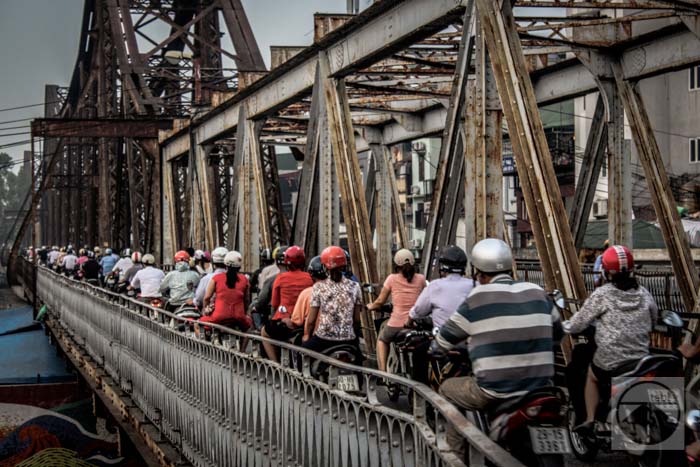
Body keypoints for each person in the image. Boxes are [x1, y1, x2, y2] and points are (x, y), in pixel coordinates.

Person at [432, 238, 558, 458]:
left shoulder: (476, 298)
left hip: (496, 390)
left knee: (447, 389)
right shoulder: (538, 292)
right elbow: (558, 334)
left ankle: (455, 459)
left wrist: (436, 349)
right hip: (541, 387)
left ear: (478, 273)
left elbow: (443, 340)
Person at [564, 245, 657, 435]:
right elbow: (654, 320)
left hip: (611, 360)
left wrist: (563, 326)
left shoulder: (602, 294)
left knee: (591, 375)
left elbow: (578, 323)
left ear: (606, 272)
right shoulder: (644, 294)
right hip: (641, 359)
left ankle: (590, 420)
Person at [368, 248, 427, 372]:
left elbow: (379, 302)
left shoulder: (391, 279)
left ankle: (383, 372)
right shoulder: (421, 279)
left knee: (382, 340)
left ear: (396, 265)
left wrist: (370, 306)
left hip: (396, 324)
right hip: (414, 324)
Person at [303, 246, 363, 357]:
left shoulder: (318, 287)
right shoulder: (355, 287)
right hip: (348, 340)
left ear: (325, 266)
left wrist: (307, 335)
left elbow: (311, 321)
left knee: (301, 354)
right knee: (359, 366)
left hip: (324, 339)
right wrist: (353, 337)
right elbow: (356, 321)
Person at [261, 246, 313, 362]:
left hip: (285, 321)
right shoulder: (310, 278)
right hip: (304, 321)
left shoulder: (280, 278)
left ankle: (275, 363)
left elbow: (274, 303)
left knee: (264, 332)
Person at [407, 245, 475, 330]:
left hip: (443, 339)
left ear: (443, 267)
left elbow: (417, 311)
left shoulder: (434, 286)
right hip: (471, 338)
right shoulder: (475, 285)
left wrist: (408, 322)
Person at [202, 250, 252, 332]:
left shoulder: (216, 278)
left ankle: (205, 344)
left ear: (225, 265)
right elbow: (246, 300)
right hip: (239, 317)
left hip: (219, 316)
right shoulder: (245, 279)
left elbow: (207, 298)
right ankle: (242, 345)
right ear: (239, 267)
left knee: (197, 324)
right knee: (249, 329)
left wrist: (205, 310)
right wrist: (245, 314)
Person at [250, 246, 287, 329]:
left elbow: (262, 296)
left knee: (253, 307)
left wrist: (257, 307)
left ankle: (259, 328)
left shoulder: (272, 278)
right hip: (295, 317)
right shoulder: (307, 278)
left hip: (275, 313)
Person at [288, 256, 327, 332]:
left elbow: (297, 321)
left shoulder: (307, 293)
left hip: (317, 336)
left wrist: (306, 335)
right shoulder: (342, 291)